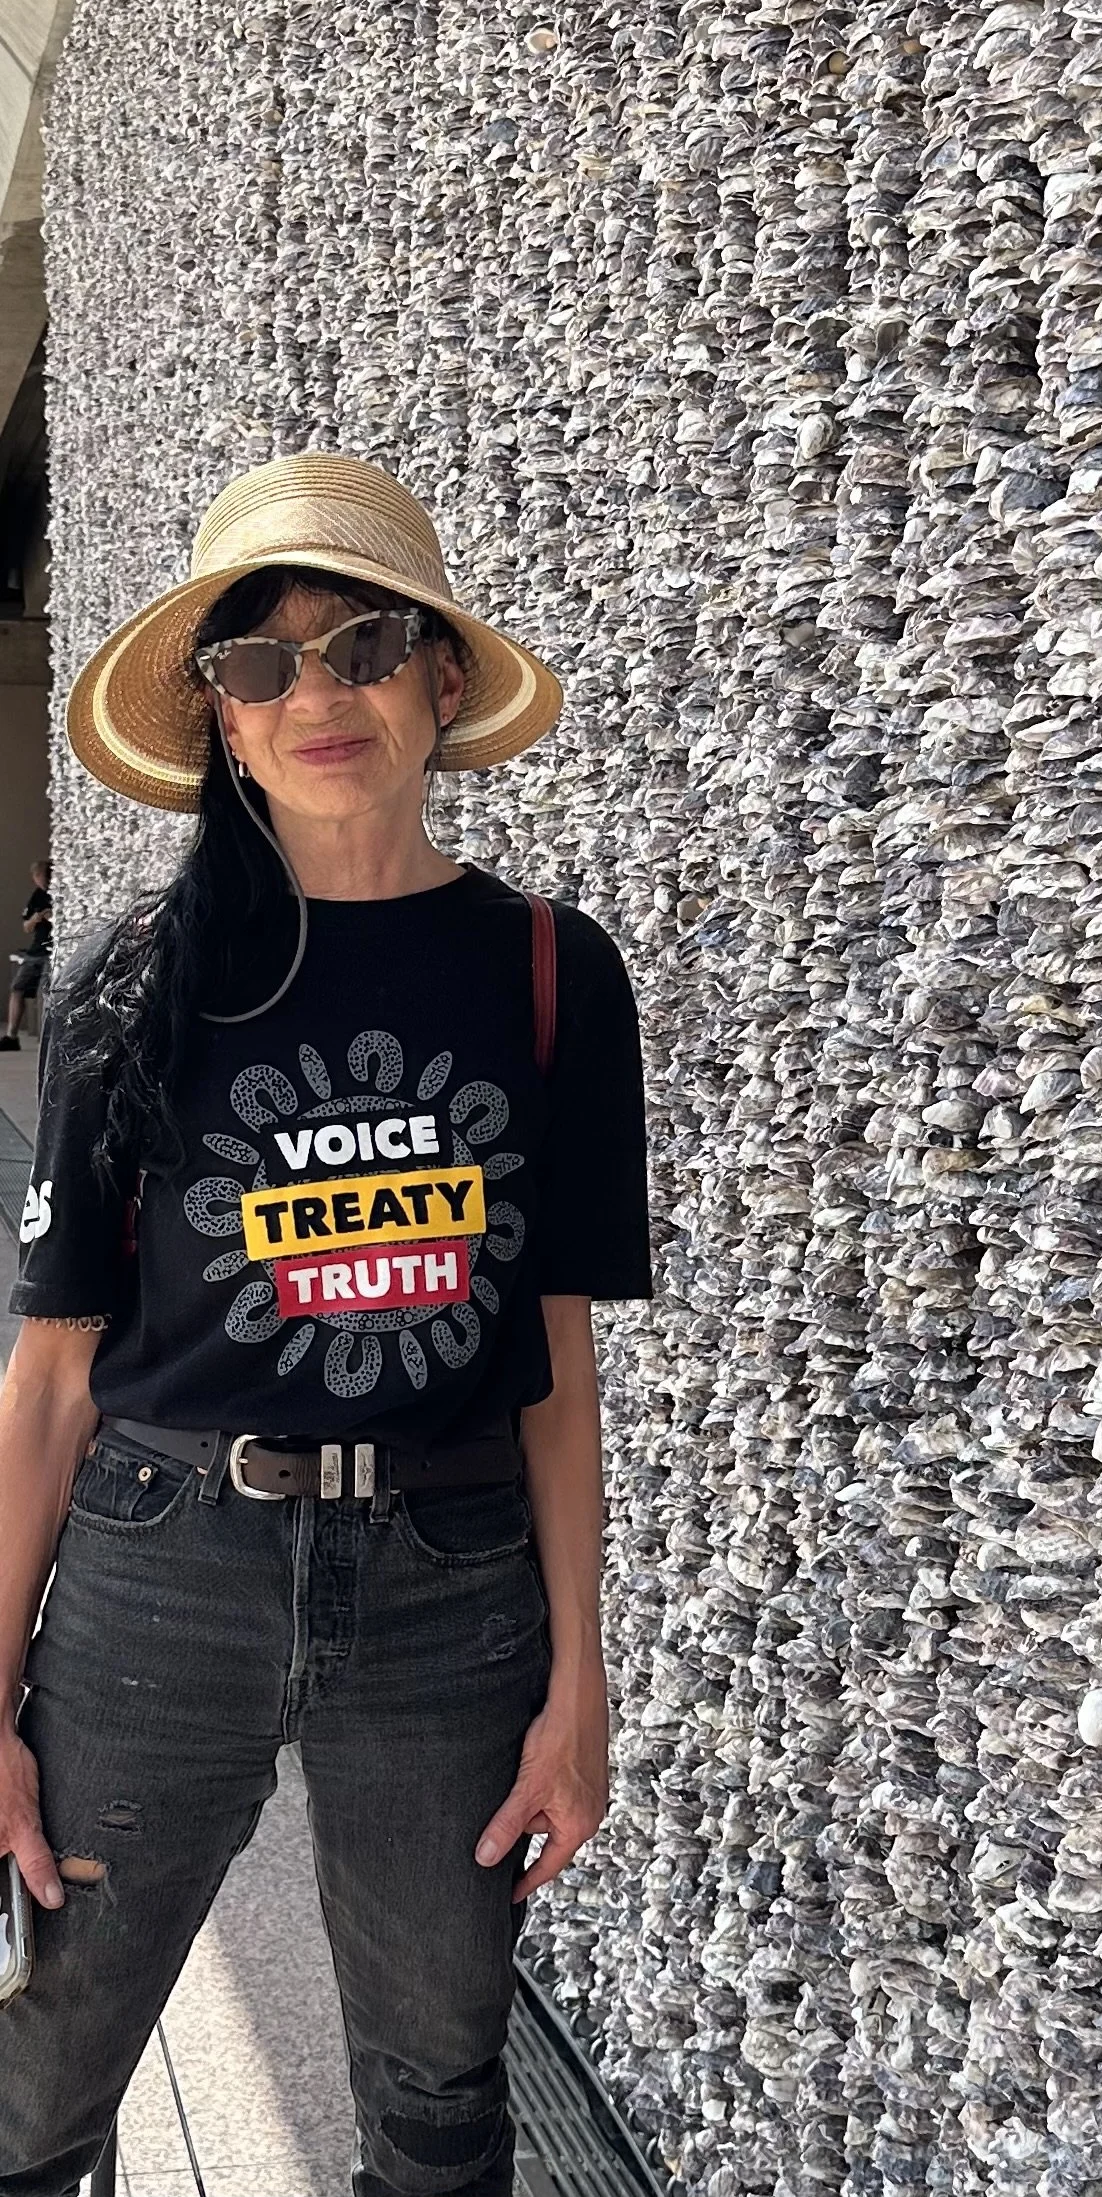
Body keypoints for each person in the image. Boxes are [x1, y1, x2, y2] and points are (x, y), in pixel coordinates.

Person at [0, 453, 654, 2195]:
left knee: (440, 2106)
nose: (319, 691)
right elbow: (51, 1381)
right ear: (218, 718)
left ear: (443, 680)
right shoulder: (132, 992)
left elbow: (555, 1364)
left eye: (362, 643)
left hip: (450, 1587)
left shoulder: (547, 971)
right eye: (263, 661)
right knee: (35, 2080)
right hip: (162, 1569)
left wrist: (578, 1679)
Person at [0, 859, 52, 1050]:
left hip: (53, 950)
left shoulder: (61, 892)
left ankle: (49, 1037)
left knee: (47, 992)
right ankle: (11, 1036)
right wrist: (37, 918)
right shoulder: (37, 896)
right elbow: (26, 927)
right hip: (36, 951)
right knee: (17, 988)